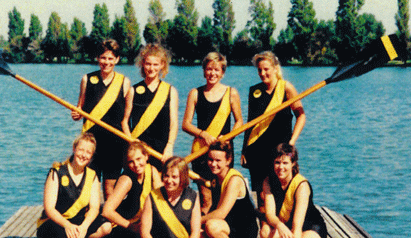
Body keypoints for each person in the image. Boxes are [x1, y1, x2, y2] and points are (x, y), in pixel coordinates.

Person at [37, 133, 112, 238]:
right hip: (54, 223)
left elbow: (95, 208)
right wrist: (68, 226)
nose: (84, 155)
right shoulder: (57, 172)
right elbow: (49, 209)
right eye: (81, 150)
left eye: (88, 152)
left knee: (106, 227)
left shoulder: (92, 176)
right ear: (74, 149)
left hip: (78, 222)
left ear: (92, 155)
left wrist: (84, 227)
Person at [182, 52, 243, 215]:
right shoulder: (195, 93)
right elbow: (186, 124)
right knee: (205, 198)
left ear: (222, 73)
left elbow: (239, 122)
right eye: (209, 69)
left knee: (223, 195)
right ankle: (202, 234)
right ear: (203, 71)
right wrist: (203, 134)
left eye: (216, 70)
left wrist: (229, 136)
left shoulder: (231, 93)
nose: (212, 73)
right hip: (201, 152)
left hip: (223, 152)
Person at [71, 39, 133, 200]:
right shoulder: (87, 80)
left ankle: (109, 221)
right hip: (91, 143)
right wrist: (76, 115)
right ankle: (90, 219)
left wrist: (131, 143)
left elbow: (127, 119)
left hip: (115, 144)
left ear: (117, 60)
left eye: (111, 58)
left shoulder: (124, 83)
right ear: (97, 58)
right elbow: (79, 110)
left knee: (109, 187)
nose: (106, 62)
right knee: (90, 184)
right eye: (103, 58)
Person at [259, 143, 327, 238]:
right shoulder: (268, 181)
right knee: (265, 233)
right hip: (286, 224)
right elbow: (270, 214)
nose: (280, 167)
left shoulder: (301, 185)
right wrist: (280, 226)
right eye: (277, 162)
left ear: (293, 163)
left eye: (285, 163)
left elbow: (297, 226)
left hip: (310, 226)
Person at [241, 51, 306, 200]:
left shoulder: (286, 88)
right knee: (261, 194)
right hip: (256, 150)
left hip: (280, 150)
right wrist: (244, 150)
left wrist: (291, 142)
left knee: (281, 190)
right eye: (259, 70)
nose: (262, 73)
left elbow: (301, 116)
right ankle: (265, 222)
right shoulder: (254, 91)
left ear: (275, 68)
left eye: (266, 69)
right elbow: (250, 122)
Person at [140, 157, 201, 238]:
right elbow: (144, 231)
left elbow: (196, 231)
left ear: (183, 177)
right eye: (166, 176)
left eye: (174, 177)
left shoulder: (192, 196)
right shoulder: (153, 196)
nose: (169, 180)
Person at [200, 141, 258, 238]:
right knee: (198, 236)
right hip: (229, 226)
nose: (213, 164)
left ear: (228, 160)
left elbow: (220, 213)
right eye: (210, 159)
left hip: (244, 231)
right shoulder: (216, 178)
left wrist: (196, 221)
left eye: (218, 160)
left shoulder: (234, 180)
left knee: (211, 226)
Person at [101, 142, 162, 238]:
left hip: (140, 222)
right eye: (131, 161)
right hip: (123, 225)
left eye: (139, 159)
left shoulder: (152, 171)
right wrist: (131, 226)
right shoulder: (126, 180)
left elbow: (162, 200)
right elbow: (107, 211)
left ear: (146, 156)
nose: (136, 165)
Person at [121, 44, 178, 170]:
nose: (151, 68)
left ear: (162, 65)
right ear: (142, 64)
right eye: (148, 64)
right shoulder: (133, 91)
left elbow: (174, 123)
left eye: (155, 64)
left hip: (161, 151)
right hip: (138, 152)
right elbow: (124, 122)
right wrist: (132, 143)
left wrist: (169, 146)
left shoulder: (171, 91)